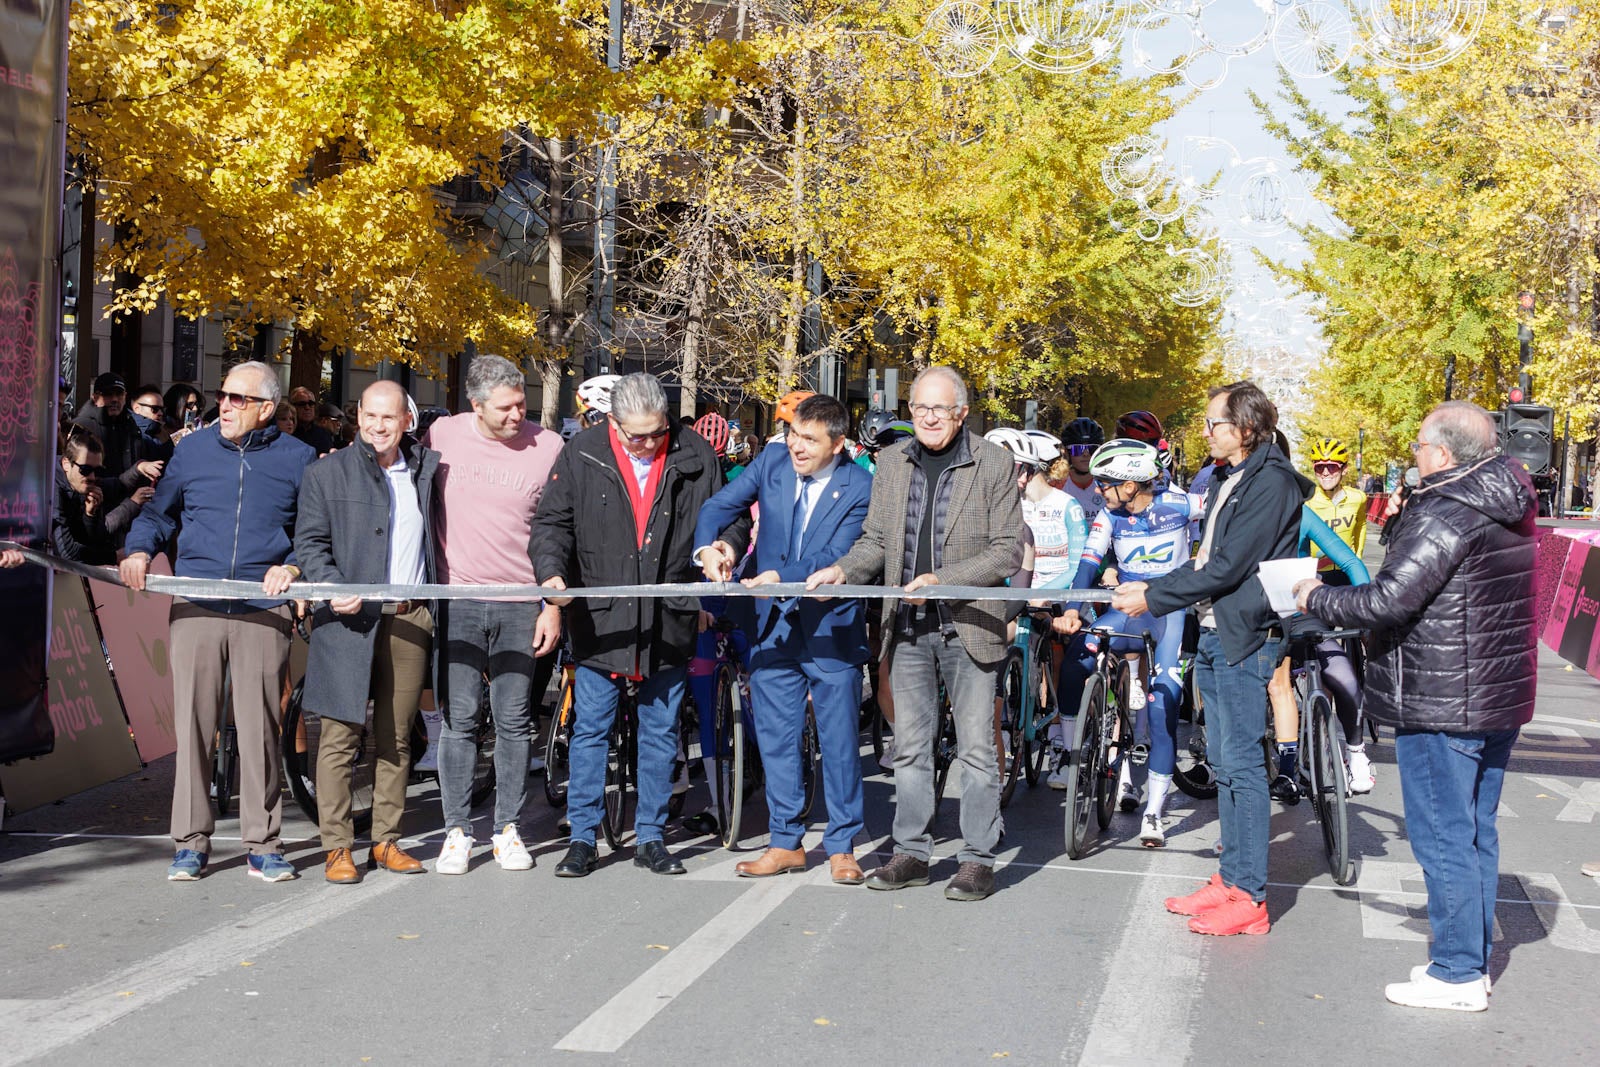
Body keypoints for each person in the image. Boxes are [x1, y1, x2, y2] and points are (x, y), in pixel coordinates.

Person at [1295, 401, 1536, 1012]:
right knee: (1474, 831)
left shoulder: (1448, 511)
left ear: (1445, 454)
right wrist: (1405, 516)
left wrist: (1314, 595)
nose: (1414, 456)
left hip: (1441, 695)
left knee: (1443, 835)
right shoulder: (1502, 498)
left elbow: (1387, 601)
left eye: (1420, 446)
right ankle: (1471, 960)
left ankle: (1456, 973)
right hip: (1493, 691)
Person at [808, 366, 1022, 902]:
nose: (927, 418)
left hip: (970, 625)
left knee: (977, 751)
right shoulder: (891, 461)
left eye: (939, 409)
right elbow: (876, 541)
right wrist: (842, 571)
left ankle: (977, 860)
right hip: (905, 627)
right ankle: (911, 853)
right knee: (909, 748)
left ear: (962, 414)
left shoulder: (994, 463)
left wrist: (942, 580)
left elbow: (1007, 551)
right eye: (919, 408)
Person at [1112, 380, 1302, 936]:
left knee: (1242, 766)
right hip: (1216, 630)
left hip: (1247, 635)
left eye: (1214, 422)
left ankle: (1251, 898)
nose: (1206, 431)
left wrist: (1153, 596)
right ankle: (1230, 878)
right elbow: (1205, 559)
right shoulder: (1225, 477)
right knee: (1223, 762)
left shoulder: (1272, 482)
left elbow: (1230, 567)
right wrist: (1154, 585)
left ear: (1246, 427)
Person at [121, 360, 317, 883]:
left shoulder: (298, 458)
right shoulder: (191, 451)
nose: (223, 406)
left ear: (266, 409)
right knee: (194, 725)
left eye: (237, 399)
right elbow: (158, 514)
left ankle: (263, 844)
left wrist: (293, 566)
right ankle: (189, 841)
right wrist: (139, 550)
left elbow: (314, 533)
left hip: (262, 607)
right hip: (197, 602)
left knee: (260, 729)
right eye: (222, 395)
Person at [534, 372, 732, 878]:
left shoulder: (694, 453)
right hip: (601, 619)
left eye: (657, 432)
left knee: (661, 732)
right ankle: (583, 837)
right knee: (591, 731)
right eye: (636, 435)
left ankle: (651, 837)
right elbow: (552, 523)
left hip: (668, 616)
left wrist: (723, 546)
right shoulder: (582, 453)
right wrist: (552, 576)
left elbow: (728, 514)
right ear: (613, 423)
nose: (647, 443)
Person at [695, 394, 873, 883]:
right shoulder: (771, 462)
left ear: (838, 444)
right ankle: (785, 842)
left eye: (810, 439)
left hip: (830, 628)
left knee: (839, 742)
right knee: (776, 739)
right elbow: (720, 505)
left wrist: (780, 577)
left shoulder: (860, 486)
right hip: (770, 628)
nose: (797, 446)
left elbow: (838, 553)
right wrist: (709, 548)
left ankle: (842, 846)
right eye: (794, 433)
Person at [294, 381, 439, 884]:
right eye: (370, 416)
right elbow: (309, 543)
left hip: (409, 618)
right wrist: (332, 585)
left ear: (406, 421)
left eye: (389, 417)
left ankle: (386, 840)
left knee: (395, 737)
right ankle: (337, 847)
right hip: (346, 620)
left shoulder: (427, 471)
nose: (378, 426)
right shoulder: (325, 472)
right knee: (339, 736)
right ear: (358, 417)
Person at [427, 355, 563, 875]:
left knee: (514, 721)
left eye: (521, 404)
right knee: (459, 720)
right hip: (458, 600)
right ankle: (456, 831)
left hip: (521, 603)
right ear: (476, 405)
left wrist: (551, 606)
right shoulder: (442, 435)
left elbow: (560, 530)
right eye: (505, 407)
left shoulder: (548, 446)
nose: (516, 415)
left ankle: (507, 828)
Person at [1058, 439, 1198, 846]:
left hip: (1170, 612)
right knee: (1078, 655)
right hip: (1127, 612)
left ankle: (1153, 812)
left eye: (1105, 483)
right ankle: (1076, 755)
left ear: (1131, 485)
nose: (1098, 489)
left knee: (1163, 704)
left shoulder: (1180, 504)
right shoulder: (1109, 515)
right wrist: (1073, 609)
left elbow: (1228, 522)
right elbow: (1088, 562)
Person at [52, 427, 126, 564]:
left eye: (98, 471)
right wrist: (113, 557)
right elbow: (66, 552)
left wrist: (90, 515)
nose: (92, 477)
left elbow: (92, 542)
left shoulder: (81, 484)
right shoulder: (52, 486)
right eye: (85, 470)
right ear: (66, 464)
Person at [1054, 416, 1105, 523]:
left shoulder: (1108, 486)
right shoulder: (1056, 486)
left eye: (1092, 449)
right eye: (1078, 449)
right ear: (1066, 452)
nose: (1086, 454)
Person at [285, 386, 337, 453]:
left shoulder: (323, 434)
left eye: (311, 404)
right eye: (302, 404)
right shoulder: (286, 432)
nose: (307, 407)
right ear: (292, 407)